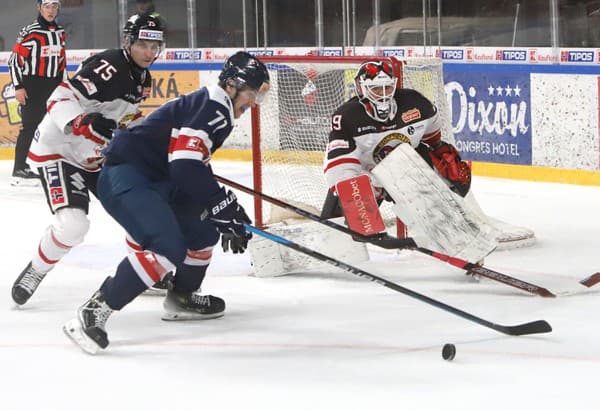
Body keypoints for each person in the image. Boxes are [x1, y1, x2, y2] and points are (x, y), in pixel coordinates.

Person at [62, 51, 270, 354]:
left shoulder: (213, 104)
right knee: (167, 246)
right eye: (251, 94)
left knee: (204, 231)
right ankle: (95, 310)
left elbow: (189, 163)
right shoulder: (215, 108)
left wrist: (224, 208)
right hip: (128, 176)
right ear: (232, 85)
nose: (252, 103)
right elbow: (185, 166)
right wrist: (217, 201)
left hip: (158, 179)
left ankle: (182, 298)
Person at [10, 14, 165, 306]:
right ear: (128, 42)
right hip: (61, 149)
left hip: (96, 155)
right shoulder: (110, 67)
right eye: (143, 44)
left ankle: (140, 273)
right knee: (72, 226)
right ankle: (37, 269)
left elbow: (124, 120)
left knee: (139, 208)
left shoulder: (143, 78)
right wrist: (81, 120)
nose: (149, 52)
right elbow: (58, 97)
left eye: (154, 46)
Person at [321, 60, 471, 221]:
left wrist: (438, 149)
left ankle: (445, 224)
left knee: (442, 191)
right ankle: (339, 233)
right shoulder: (348, 117)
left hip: (405, 175)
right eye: (376, 88)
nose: (384, 94)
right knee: (342, 221)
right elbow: (340, 165)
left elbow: (432, 135)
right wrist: (352, 194)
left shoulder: (415, 104)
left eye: (388, 87)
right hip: (367, 176)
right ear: (361, 88)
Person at [7, 0, 66, 186]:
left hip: (54, 84)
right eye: (47, 6)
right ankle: (20, 167)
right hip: (32, 85)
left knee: (55, 125)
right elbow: (14, 61)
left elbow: (61, 61)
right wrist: (18, 87)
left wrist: (65, 85)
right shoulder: (30, 31)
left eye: (54, 6)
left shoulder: (59, 32)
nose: (51, 10)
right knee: (30, 127)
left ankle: (48, 163)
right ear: (39, 8)